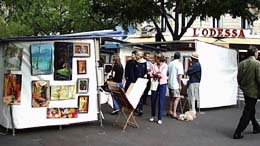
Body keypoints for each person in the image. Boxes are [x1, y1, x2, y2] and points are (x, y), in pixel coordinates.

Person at [233, 46, 260, 139]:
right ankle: (238, 131)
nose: (258, 54)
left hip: (245, 90)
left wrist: (242, 86)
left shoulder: (241, 64)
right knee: (248, 111)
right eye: (257, 53)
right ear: (254, 53)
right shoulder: (257, 64)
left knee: (250, 109)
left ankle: (256, 127)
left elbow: (238, 78)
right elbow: (259, 79)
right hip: (254, 91)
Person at [149, 54, 168, 125]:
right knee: (153, 100)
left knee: (161, 101)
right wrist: (157, 74)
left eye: (155, 58)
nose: (154, 60)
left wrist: (156, 74)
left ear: (159, 59)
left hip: (162, 84)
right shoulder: (154, 65)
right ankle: (153, 116)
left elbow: (163, 75)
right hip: (155, 83)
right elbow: (151, 73)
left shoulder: (165, 65)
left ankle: (159, 118)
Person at [167, 52, 184, 119]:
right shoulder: (179, 64)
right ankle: (174, 113)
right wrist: (180, 85)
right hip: (175, 84)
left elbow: (168, 73)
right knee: (177, 97)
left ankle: (170, 111)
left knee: (171, 98)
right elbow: (179, 76)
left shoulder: (170, 63)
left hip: (170, 83)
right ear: (179, 57)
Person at [134, 50, 148, 116]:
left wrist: (145, 77)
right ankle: (136, 108)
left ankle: (141, 109)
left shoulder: (144, 62)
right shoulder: (135, 62)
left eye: (137, 55)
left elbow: (146, 72)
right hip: (136, 81)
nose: (136, 56)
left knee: (141, 96)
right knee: (136, 95)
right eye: (136, 55)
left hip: (142, 82)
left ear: (141, 55)